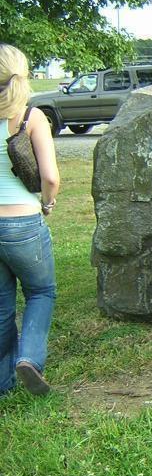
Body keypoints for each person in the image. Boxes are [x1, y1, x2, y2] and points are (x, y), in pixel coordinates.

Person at [0, 44, 60, 397]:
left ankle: (3, 383)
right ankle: (30, 359)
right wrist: (48, 203)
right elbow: (50, 177)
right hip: (22, 222)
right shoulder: (30, 117)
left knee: (1, 303)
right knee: (41, 291)